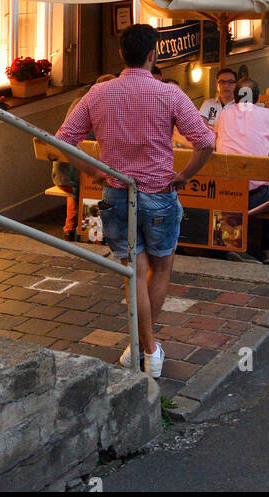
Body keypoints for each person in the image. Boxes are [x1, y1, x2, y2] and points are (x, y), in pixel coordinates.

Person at [55, 23, 214, 379]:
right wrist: (186, 174)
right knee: (162, 267)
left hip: (116, 193)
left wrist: (93, 171)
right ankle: (149, 349)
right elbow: (206, 141)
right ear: (153, 55)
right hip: (159, 193)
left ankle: (142, 346)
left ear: (122, 55)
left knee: (135, 273)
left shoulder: (99, 94)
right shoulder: (169, 94)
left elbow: (63, 139)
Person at [214, 97, 269, 262]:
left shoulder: (223, 114)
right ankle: (267, 247)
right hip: (253, 195)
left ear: (235, 98)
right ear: (257, 99)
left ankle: (229, 243)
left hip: (223, 192)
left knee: (234, 186)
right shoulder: (268, 115)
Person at [51, 73, 115, 241]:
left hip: (64, 169)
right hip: (76, 174)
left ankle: (72, 229)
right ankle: (92, 234)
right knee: (96, 183)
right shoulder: (97, 105)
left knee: (86, 179)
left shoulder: (80, 100)